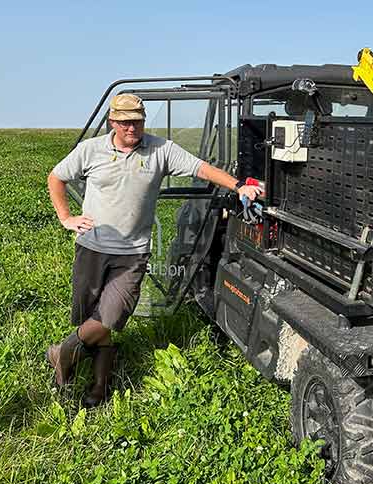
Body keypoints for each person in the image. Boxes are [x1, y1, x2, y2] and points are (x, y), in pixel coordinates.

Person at [46, 93, 262, 408]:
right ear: (113, 122)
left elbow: (201, 168)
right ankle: (100, 388)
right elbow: (56, 177)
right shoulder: (90, 150)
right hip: (91, 248)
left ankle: (62, 352)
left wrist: (238, 186)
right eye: (125, 122)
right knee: (94, 318)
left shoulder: (161, 149)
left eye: (138, 121)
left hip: (132, 255)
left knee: (108, 318)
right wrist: (66, 218)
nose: (132, 127)